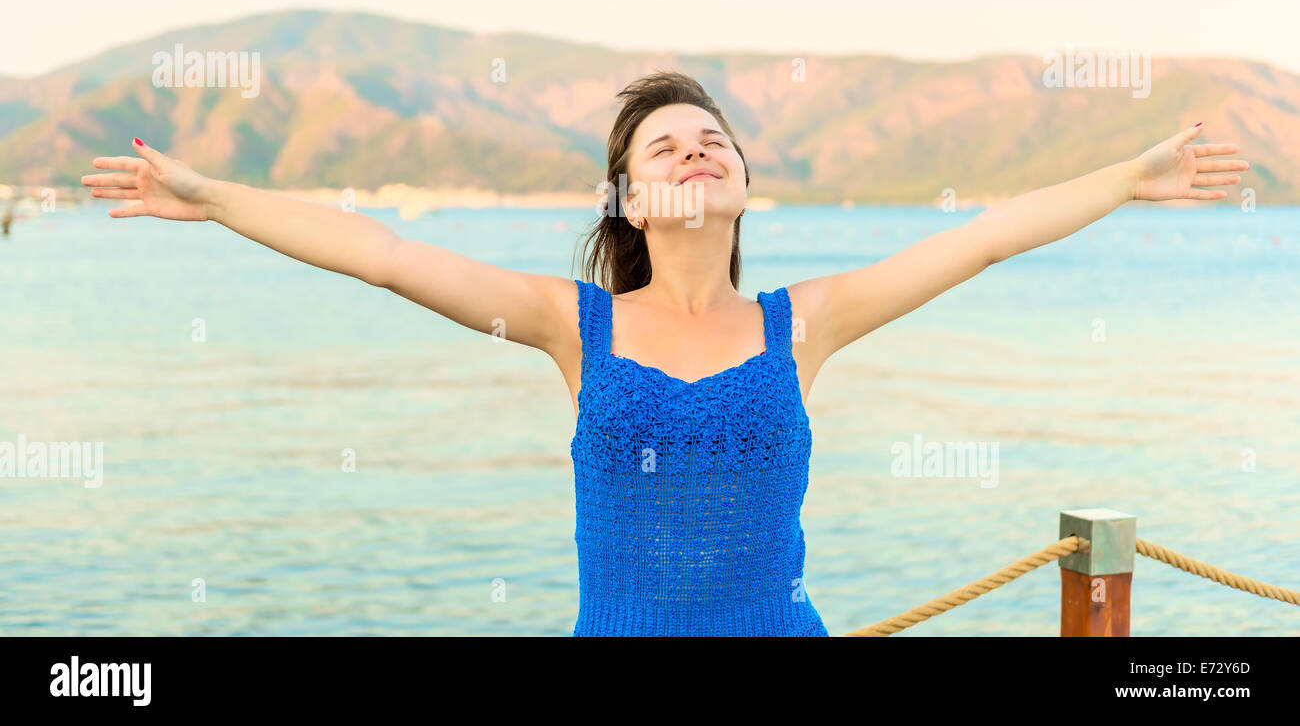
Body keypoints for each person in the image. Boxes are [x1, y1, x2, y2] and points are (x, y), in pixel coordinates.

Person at [79, 70, 1248, 636]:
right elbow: (380, 252)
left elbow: (984, 236)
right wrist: (215, 196)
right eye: (664, 148)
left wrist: (1131, 180)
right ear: (627, 199)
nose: (695, 154)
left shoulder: (807, 323)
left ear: (745, 181)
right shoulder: (567, 326)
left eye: (713, 141)